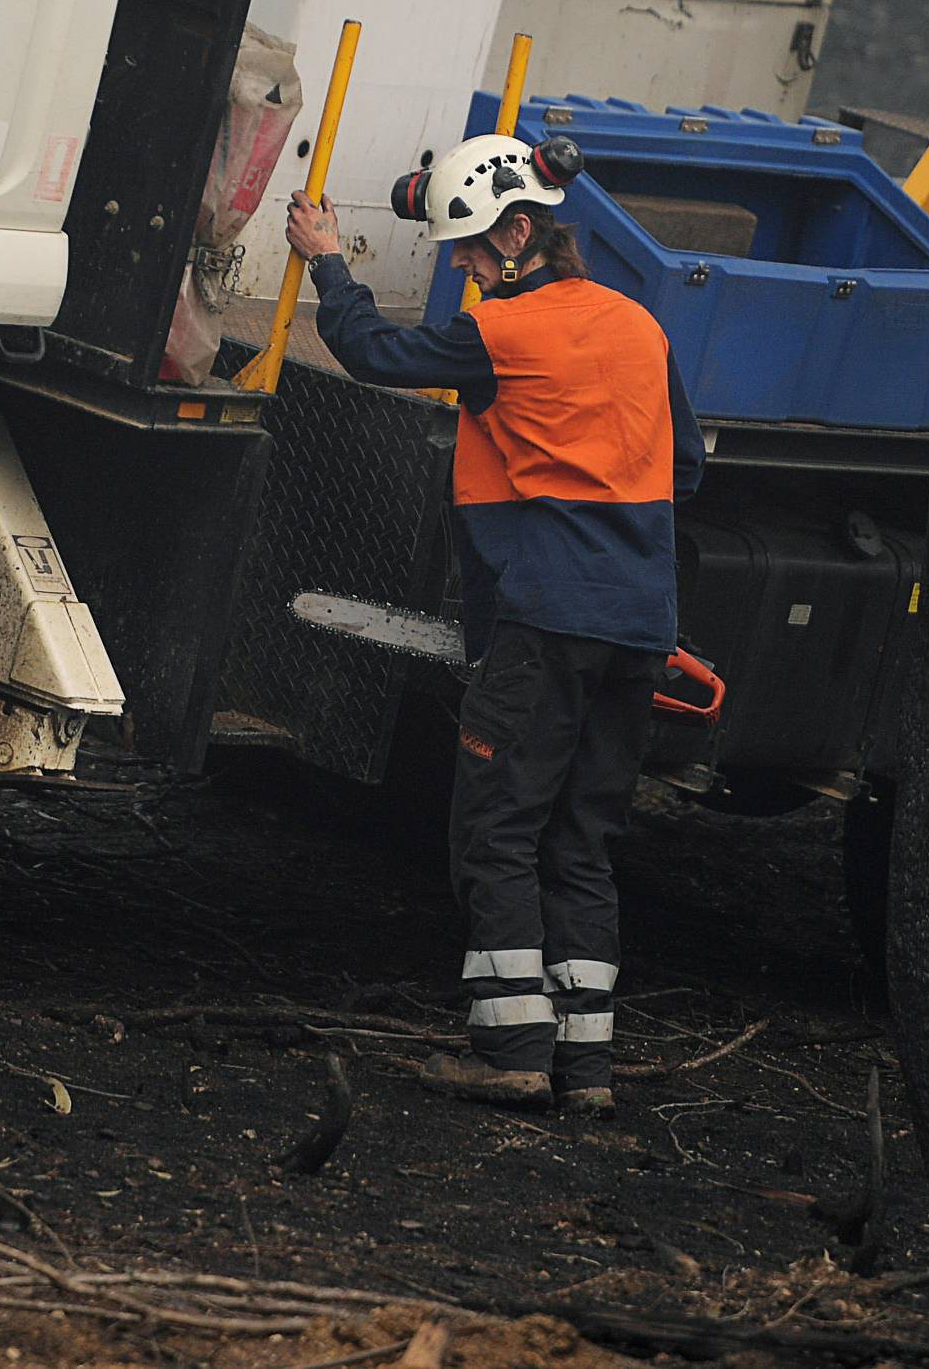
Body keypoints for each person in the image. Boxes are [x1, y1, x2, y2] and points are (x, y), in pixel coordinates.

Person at [285, 133, 703, 1114]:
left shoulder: (503, 336)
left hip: (546, 619)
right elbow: (684, 470)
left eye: (470, 249)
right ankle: (586, 1067)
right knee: (584, 838)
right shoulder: (641, 328)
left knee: (497, 823)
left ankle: (512, 1047)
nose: (464, 269)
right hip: (638, 624)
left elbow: (370, 348)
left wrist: (326, 258)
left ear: (522, 230)